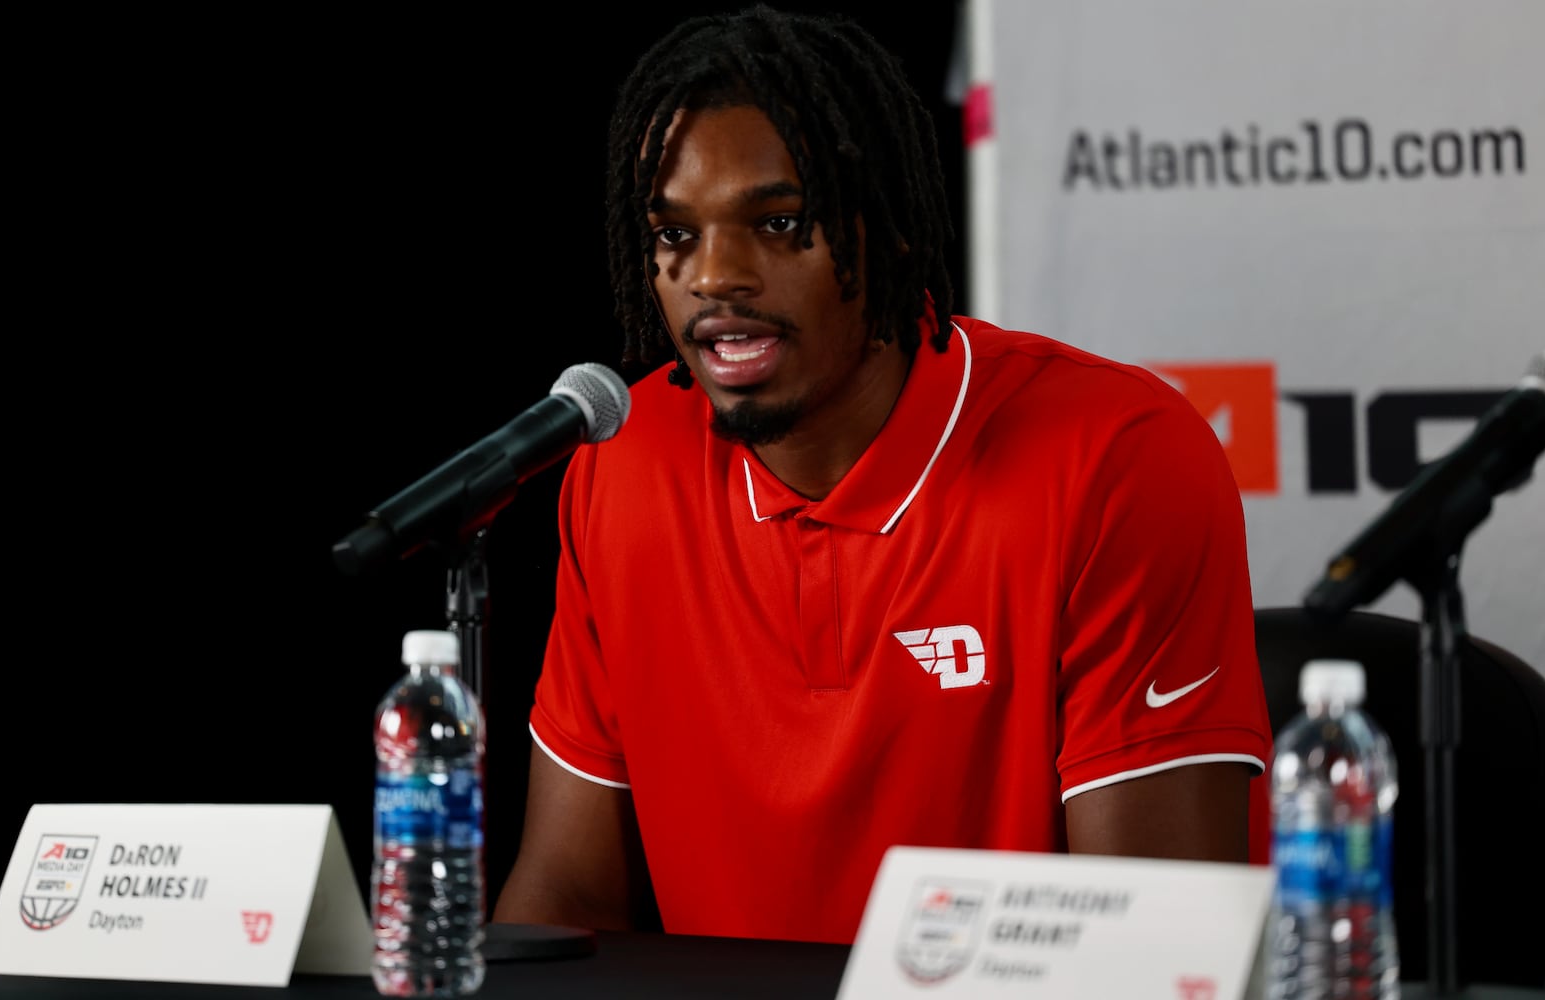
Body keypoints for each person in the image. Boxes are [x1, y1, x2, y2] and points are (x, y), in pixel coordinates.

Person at [493, 4, 1273, 945]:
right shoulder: (623, 462)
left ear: (892, 232)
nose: (714, 276)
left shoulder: (1116, 456)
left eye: (780, 223)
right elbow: (564, 903)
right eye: (674, 235)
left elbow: (1155, 945)